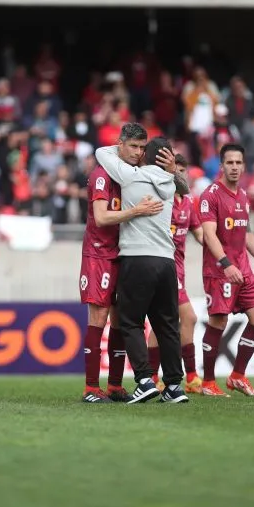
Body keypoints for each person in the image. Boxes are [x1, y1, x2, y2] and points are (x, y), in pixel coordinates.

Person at [95, 132, 189, 404]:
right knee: (168, 325)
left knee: (129, 321)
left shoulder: (131, 175)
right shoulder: (171, 183)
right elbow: (182, 185)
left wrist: (127, 150)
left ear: (147, 155)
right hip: (167, 262)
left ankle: (145, 380)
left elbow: (102, 152)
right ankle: (173, 386)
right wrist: (170, 168)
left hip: (138, 258)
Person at [79, 124, 160, 403]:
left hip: (124, 254)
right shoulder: (102, 175)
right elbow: (101, 218)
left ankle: (114, 385)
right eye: (133, 147)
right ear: (120, 145)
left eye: (141, 148)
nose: (138, 153)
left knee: (122, 320)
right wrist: (137, 211)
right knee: (98, 319)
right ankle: (91, 388)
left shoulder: (130, 176)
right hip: (99, 254)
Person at [197, 143, 254, 398]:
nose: (234, 167)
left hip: (243, 269)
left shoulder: (243, 195)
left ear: (243, 166)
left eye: (238, 163)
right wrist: (226, 264)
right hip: (219, 270)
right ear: (221, 166)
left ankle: (237, 376)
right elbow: (209, 235)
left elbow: (247, 233)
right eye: (229, 163)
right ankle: (208, 381)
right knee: (218, 322)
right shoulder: (210, 195)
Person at [147, 153, 204, 393]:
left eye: (182, 170)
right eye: (175, 169)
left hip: (178, 272)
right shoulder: (161, 200)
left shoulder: (189, 203)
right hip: (161, 267)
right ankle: (189, 377)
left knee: (162, 322)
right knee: (187, 317)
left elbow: (200, 233)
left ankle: (154, 377)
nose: (178, 174)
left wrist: (222, 249)